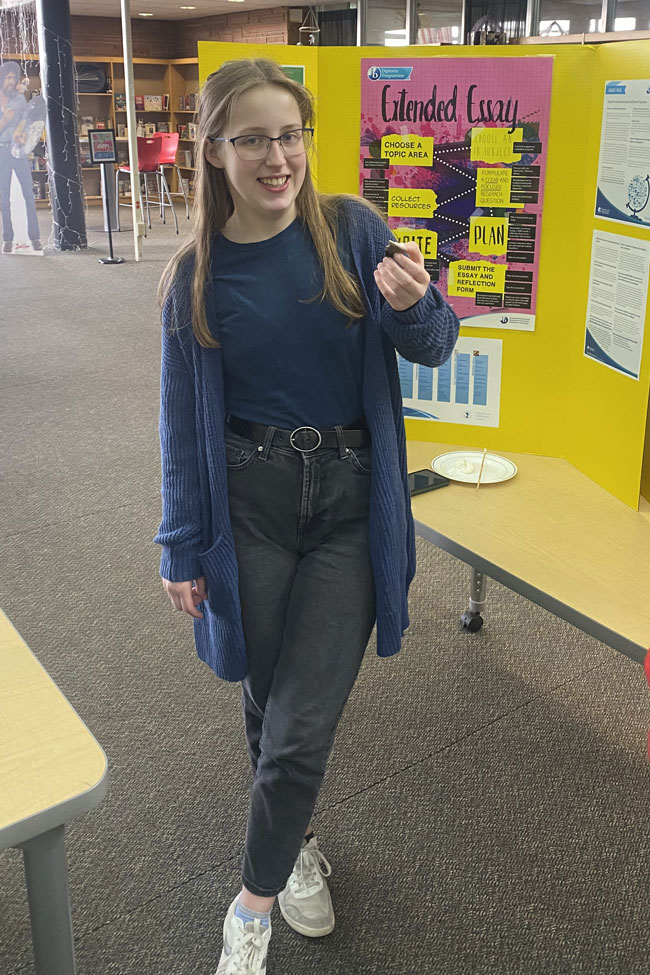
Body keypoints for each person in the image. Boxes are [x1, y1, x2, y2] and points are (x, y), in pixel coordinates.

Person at [155, 58, 459, 975]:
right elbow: (181, 425)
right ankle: (296, 847)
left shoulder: (352, 231)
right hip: (248, 499)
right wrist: (180, 541)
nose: (276, 157)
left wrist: (416, 306)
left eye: (289, 135)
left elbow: (435, 345)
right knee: (264, 692)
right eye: (252, 138)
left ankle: (247, 914)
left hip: (349, 505)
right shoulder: (195, 275)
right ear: (214, 150)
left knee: (299, 722)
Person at [0, 62, 41, 253]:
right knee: (4, 197)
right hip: (1, 152)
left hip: (18, 151)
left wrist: (24, 135)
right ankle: (8, 238)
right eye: (8, 77)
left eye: (14, 78)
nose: (12, 81)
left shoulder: (19, 99)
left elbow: (25, 122)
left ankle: (35, 237)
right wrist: (5, 120)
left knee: (28, 195)